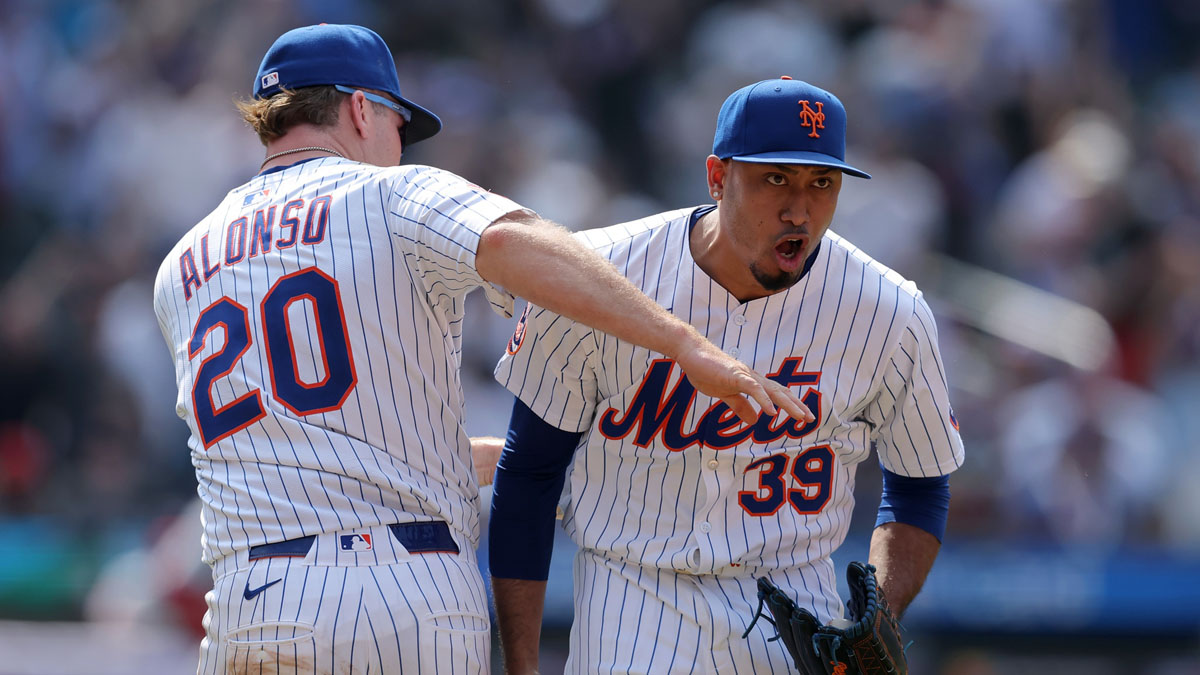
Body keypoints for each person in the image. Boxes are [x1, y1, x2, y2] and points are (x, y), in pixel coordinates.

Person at [151, 25, 811, 674]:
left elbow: (324, 451)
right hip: (400, 591)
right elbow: (512, 240)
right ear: (359, 108)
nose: (399, 147)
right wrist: (684, 342)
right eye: (397, 126)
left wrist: (513, 462)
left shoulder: (181, 267)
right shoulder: (392, 192)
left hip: (249, 602)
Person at [489, 77, 965, 674]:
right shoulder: (597, 278)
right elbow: (530, 470)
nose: (800, 208)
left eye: (822, 182)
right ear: (717, 177)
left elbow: (920, 484)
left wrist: (881, 618)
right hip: (633, 595)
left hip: (795, 610)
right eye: (776, 179)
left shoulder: (887, 311)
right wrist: (522, 666)